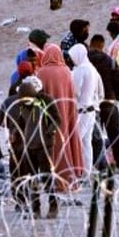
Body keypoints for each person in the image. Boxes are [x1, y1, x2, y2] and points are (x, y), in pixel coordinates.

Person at [1, 76, 60, 219]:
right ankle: (36, 208)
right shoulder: (23, 107)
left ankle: (53, 206)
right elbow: (21, 123)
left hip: (44, 146)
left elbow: (57, 119)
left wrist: (49, 131)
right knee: (32, 179)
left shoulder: (46, 101)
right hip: (29, 147)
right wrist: (15, 134)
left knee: (47, 178)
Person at [36, 43, 83, 192]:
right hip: (66, 113)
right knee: (67, 144)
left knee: (51, 148)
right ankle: (69, 180)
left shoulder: (41, 73)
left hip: (48, 118)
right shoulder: (66, 71)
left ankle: (52, 183)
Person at [88, 33, 119, 171]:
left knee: (94, 138)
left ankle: (99, 165)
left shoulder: (85, 61)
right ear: (102, 45)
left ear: (91, 44)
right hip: (109, 103)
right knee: (115, 135)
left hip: (92, 105)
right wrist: (116, 97)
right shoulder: (110, 61)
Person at [69, 43, 104, 179]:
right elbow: (101, 91)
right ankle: (86, 172)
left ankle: (76, 172)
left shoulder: (80, 70)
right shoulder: (92, 69)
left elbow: (75, 91)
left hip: (81, 111)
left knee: (76, 141)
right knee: (86, 143)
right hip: (92, 110)